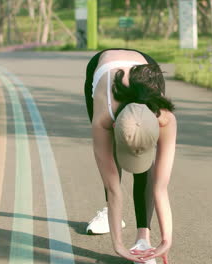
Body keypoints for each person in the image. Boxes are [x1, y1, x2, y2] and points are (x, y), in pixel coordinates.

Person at [83, 48, 176, 264]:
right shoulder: (104, 117)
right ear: (114, 125)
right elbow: (113, 187)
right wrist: (118, 245)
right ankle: (110, 214)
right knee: (110, 163)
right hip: (102, 65)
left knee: (147, 168)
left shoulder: (166, 118)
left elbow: (160, 187)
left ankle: (143, 238)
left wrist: (166, 239)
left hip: (145, 65)